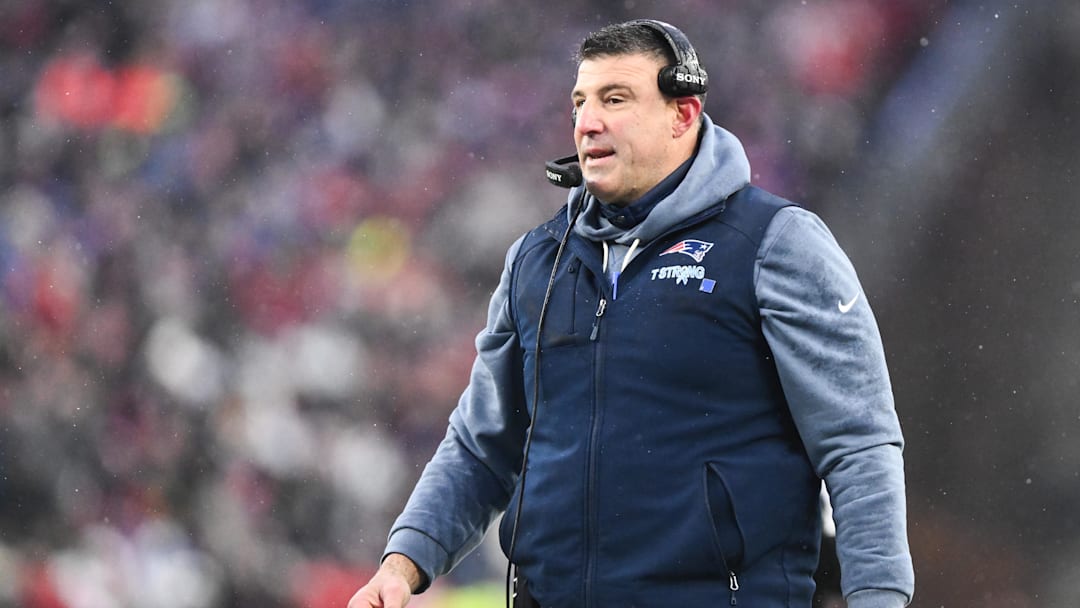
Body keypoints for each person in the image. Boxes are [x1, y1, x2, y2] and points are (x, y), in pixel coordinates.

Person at [348, 19, 914, 608]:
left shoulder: (777, 244)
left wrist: (878, 597)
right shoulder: (535, 260)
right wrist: (403, 565)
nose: (587, 121)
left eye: (615, 99)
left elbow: (858, 443)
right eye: (580, 102)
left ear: (683, 114)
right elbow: (481, 447)